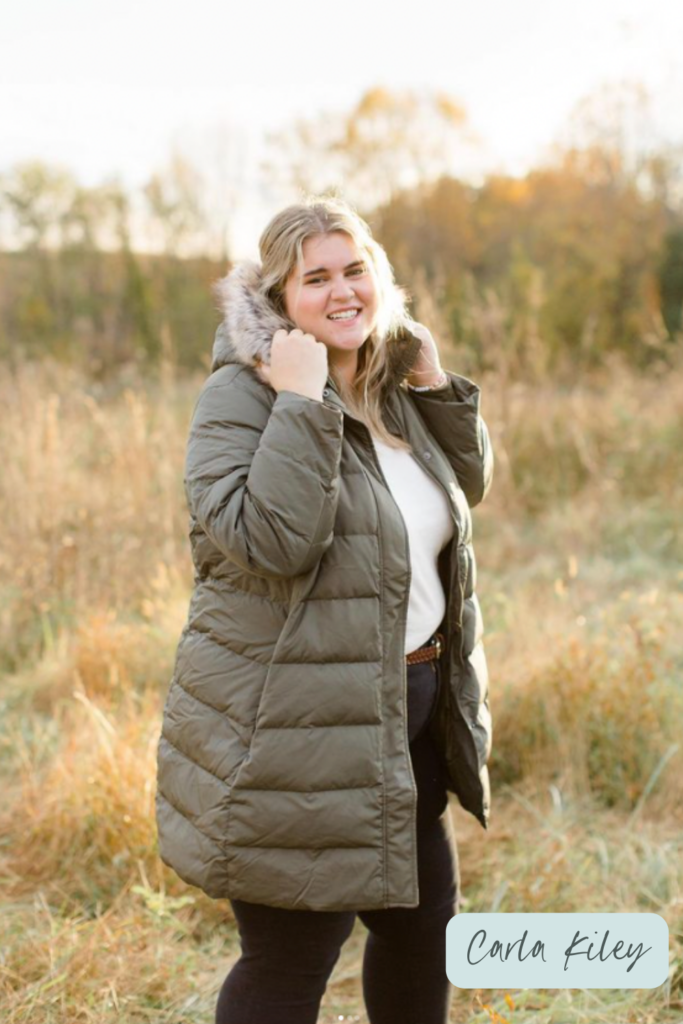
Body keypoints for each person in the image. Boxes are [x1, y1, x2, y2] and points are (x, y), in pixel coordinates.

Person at [155, 195, 494, 1024]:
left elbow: (464, 492)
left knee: (423, 934)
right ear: (277, 301)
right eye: (316, 279)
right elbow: (271, 542)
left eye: (355, 270)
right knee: (289, 963)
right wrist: (302, 404)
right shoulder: (240, 398)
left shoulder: (390, 386)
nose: (342, 291)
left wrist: (436, 385)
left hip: (401, 724)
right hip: (297, 738)